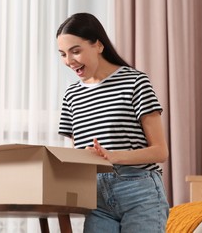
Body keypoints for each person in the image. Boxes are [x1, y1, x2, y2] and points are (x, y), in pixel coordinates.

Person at [56, 12, 169, 233]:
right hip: (96, 195)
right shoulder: (72, 95)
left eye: (75, 51)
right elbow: (77, 154)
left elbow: (160, 152)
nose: (69, 61)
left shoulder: (135, 82)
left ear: (98, 45)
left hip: (139, 189)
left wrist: (112, 155)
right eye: (63, 54)